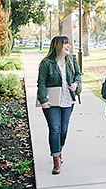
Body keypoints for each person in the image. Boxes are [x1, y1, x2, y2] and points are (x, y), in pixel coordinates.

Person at [37, 36, 81, 174]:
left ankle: (60, 150)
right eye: (65, 44)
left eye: (68, 44)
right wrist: (43, 100)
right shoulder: (46, 63)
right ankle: (56, 159)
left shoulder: (72, 59)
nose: (68, 46)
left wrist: (75, 83)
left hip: (68, 100)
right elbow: (41, 82)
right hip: (52, 102)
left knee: (63, 129)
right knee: (55, 129)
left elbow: (78, 75)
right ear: (57, 46)